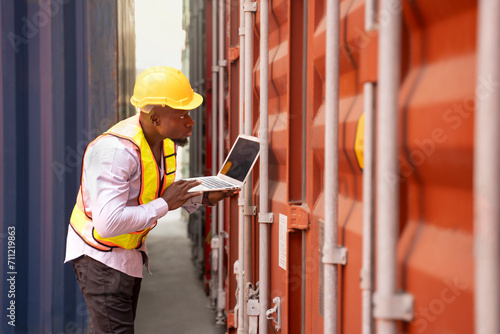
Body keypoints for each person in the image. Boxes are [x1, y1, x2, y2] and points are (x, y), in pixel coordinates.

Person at [65, 66, 235, 333]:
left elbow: (156, 193)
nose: (191, 122)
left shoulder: (163, 142)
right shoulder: (115, 152)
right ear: (155, 117)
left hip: (128, 254)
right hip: (101, 259)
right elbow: (109, 224)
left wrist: (204, 197)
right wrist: (165, 204)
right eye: (182, 115)